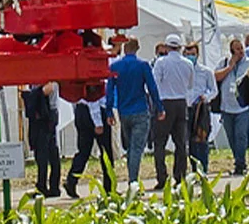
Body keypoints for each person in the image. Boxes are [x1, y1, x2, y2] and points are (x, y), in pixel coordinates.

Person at [107, 38, 162, 189]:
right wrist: (159, 107)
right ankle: (133, 180)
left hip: (123, 111)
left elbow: (110, 91)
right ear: (137, 48)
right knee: (137, 147)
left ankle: (132, 176)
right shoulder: (143, 65)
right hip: (140, 109)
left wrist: (109, 111)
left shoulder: (115, 66)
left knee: (130, 145)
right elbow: (152, 88)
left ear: (124, 49)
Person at [151, 33, 195, 190]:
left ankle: (162, 176)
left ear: (167, 47)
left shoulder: (161, 62)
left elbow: (155, 84)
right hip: (181, 102)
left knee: (160, 142)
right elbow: (190, 85)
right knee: (181, 142)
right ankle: (180, 175)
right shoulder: (188, 63)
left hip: (165, 101)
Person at [65, 83, 115, 199]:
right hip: (95, 113)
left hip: (81, 111)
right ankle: (109, 187)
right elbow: (93, 98)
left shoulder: (79, 75)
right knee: (106, 153)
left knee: (83, 151)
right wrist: (98, 122)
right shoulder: (94, 75)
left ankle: (71, 181)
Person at [21, 81, 61, 197]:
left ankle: (45, 187)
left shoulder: (51, 83)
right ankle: (50, 187)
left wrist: (30, 94)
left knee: (45, 155)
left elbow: (45, 91)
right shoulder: (45, 83)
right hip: (44, 118)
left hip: (46, 118)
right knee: (47, 154)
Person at [216, 37, 249, 175]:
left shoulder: (247, 63)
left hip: (243, 107)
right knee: (231, 137)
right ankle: (238, 159)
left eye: (241, 48)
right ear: (231, 51)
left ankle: (240, 164)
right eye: (237, 49)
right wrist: (230, 67)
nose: (240, 51)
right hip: (227, 107)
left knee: (241, 135)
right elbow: (216, 77)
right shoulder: (224, 62)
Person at [184, 41, 216, 174]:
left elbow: (214, 90)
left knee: (202, 139)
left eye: (193, 54)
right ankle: (194, 169)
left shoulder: (206, 71)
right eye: (188, 54)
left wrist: (206, 97)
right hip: (186, 108)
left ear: (197, 54)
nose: (191, 57)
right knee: (189, 141)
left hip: (201, 109)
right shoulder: (182, 70)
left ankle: (204, 168)